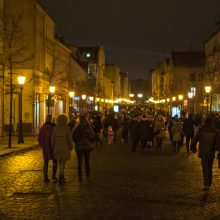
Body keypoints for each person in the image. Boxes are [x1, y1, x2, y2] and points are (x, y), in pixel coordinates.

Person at [190, 117, 219, 191]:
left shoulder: (201, 130)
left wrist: (193, 146)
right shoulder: (215, 131)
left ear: (205, 122)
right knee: (209, 168)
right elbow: (218, 142)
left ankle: (206, 184)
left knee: (205, 168)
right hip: (211, 152)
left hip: (203, 151)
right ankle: (209, 183)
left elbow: (195, 139)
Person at [51, 114, 73, 184]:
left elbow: (52, 139)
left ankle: (60, 175)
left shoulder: (55, 128)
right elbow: (69, 139)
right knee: (62, 163)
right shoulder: (67, 128)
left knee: (59, 161)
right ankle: (61, 175)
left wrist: (52, 147)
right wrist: (71, 146)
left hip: (57, 148)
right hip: (64, 148)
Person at [72, 115, 95, 182]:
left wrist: (76, 141)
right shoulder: (88, 127)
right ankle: (87, 175)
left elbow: (73, 137)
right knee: (87, 161)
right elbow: (92, 136)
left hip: (79, 146)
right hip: (87, 146)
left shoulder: (76, 128)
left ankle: (80, 176)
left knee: (79, 162)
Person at [38, 114, 57, 183]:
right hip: (53, 146)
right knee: (55, 160)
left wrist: (42, 145)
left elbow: (39, 138)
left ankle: (45, 177)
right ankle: (54, 176)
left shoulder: (43, 127)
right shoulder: (54, 127)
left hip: (45, 147)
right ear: (51, 119)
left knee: (46, 162)